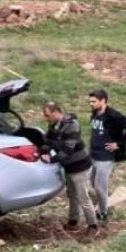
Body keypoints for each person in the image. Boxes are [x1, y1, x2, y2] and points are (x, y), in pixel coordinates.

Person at [40, 101, 99, 236]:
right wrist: (43, 151)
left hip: (79, 166)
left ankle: (93, 225)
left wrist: (52, 159)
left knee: (83, 197)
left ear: (56, 112)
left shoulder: (72, 125)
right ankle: (73, 221)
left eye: (47, 115)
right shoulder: (54, 124)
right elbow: (48, 141)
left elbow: (67, 149)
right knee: (72, 194)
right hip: (68, 166)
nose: (46, 118)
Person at [88, 89, 126, 225]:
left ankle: (103, 213)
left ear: (103, 101)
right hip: (93, 154)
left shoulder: (113, 116)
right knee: (93, 182)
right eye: (90, 102)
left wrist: (120, 144)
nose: (91, 104)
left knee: (100, 187)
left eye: (94, 101)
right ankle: (102, 203)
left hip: (106, 157)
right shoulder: (94, 113)